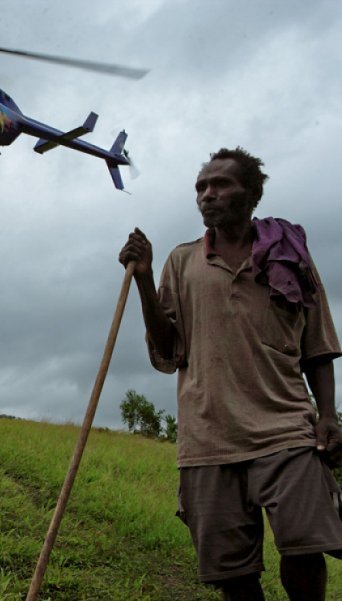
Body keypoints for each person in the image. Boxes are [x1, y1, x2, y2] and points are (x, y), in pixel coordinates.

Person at [119, 147, 342, 600]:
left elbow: (316, 344)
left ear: (252, 194)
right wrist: (143, 278)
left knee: (305, 548)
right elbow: (167, 351)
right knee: (232, 574)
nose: (207, 195)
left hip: (286, 430)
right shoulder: (182, 262)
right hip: (208, 437)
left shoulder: (289, 254)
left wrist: (328, 415)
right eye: (201, 187)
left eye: (220, 185)